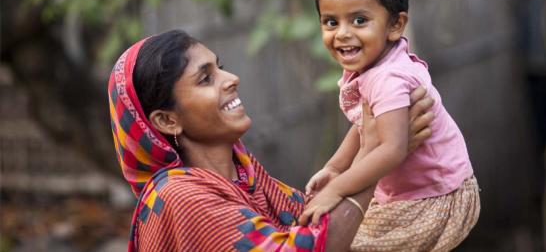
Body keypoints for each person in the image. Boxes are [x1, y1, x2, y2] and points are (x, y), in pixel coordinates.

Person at [108, 29, 434, 252]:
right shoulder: (179, 197)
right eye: (206, 78)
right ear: (167, 120)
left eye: (220, 68)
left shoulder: (248, 178)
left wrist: (370, 149)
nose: (232, 79)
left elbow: (316, 221)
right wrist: (376, 156)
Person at [300, 0, 480, 252]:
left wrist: (336, 188)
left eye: (359, 20)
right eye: (331, 22)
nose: (342, 33)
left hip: (433, 197)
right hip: (415, 191)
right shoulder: (374, 66)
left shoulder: (389, 78)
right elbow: (363, 124)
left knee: (350, 245)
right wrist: (335, 167)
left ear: (395, 25)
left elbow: (393, 148)